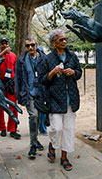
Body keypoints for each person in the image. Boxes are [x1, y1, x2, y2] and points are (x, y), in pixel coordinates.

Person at [39, 29, 82, 171]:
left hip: (71, 99)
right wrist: (52, 72)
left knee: (68, 130)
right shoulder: (47, 59)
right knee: (57, 128)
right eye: (61, 40)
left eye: (65, 39)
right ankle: (52, 145)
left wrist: (73, 72)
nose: (64, 42)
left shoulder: (72, 56)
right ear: (53, 43)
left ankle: (64, 157)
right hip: (55, 99)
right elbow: (42, 80)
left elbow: (79, 72)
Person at [15, 37, 45, 159]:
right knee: (33, 116)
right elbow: (17, 79)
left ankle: (35, 139)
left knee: (38, 117)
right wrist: (18, 95)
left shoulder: (43, 58)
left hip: (41, 94)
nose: (30, 48)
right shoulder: (21, 60)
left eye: (32, 45)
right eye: (28, 46)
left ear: (36, 45)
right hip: (29, 93)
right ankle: (33, 145)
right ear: (25, 47)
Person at [0, 38, 21, 139]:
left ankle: (13, 129)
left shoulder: (13, 55)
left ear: (9, 45)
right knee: (0, 107)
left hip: (11, 84)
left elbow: (16, 69)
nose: (4, 45)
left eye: (6, 43)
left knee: (13, 106)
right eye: (2, 44)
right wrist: (2, 54)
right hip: (0, 84)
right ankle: (2, 128)